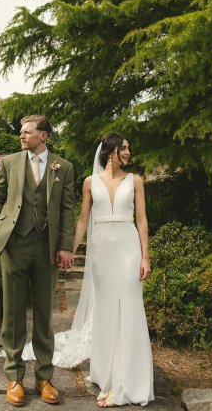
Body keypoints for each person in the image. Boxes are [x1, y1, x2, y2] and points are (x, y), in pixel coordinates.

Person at [0, 115, 75, 407]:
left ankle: (44, 377)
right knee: (12, 314)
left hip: (47, 248)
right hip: (14, 245)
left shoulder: (63, 167)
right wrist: (1, 231)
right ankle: (14, 378)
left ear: (44, 136)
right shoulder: (9, 162)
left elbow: (67, 210)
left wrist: (65, 246)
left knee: (43, 315)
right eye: (21, 132)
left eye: (27, 132)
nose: (22, 136)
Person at [72, 132, 154, 407]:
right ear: (110, 152)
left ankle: (126, 381)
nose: (128, 153)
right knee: (106, 310)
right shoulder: (89, 182)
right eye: (124, 148)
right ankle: (107, 374)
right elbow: (83, 219)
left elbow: (142, 221)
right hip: (102, 253)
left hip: (128, 249)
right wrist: (69, 251)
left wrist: (145, 257)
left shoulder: (136, 181)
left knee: (129, 308)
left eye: (129, 148)